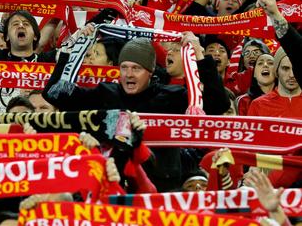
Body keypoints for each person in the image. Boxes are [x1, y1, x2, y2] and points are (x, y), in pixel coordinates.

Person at [43, 27, 230, 191]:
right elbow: (53, 94)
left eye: (136, 68)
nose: (129, 74)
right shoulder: (105, 93)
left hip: (162, 187)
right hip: (114, 183)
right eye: (124, 68)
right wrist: (70, 51)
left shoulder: (171, 96)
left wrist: (199, 55)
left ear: (150, 72)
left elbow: (218, 104)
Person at [248, 0, 302, 118]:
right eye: (285, 68)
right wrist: (274, 14)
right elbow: (296, 49)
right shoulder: (258, 105)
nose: (291, 75)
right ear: (276, 71)